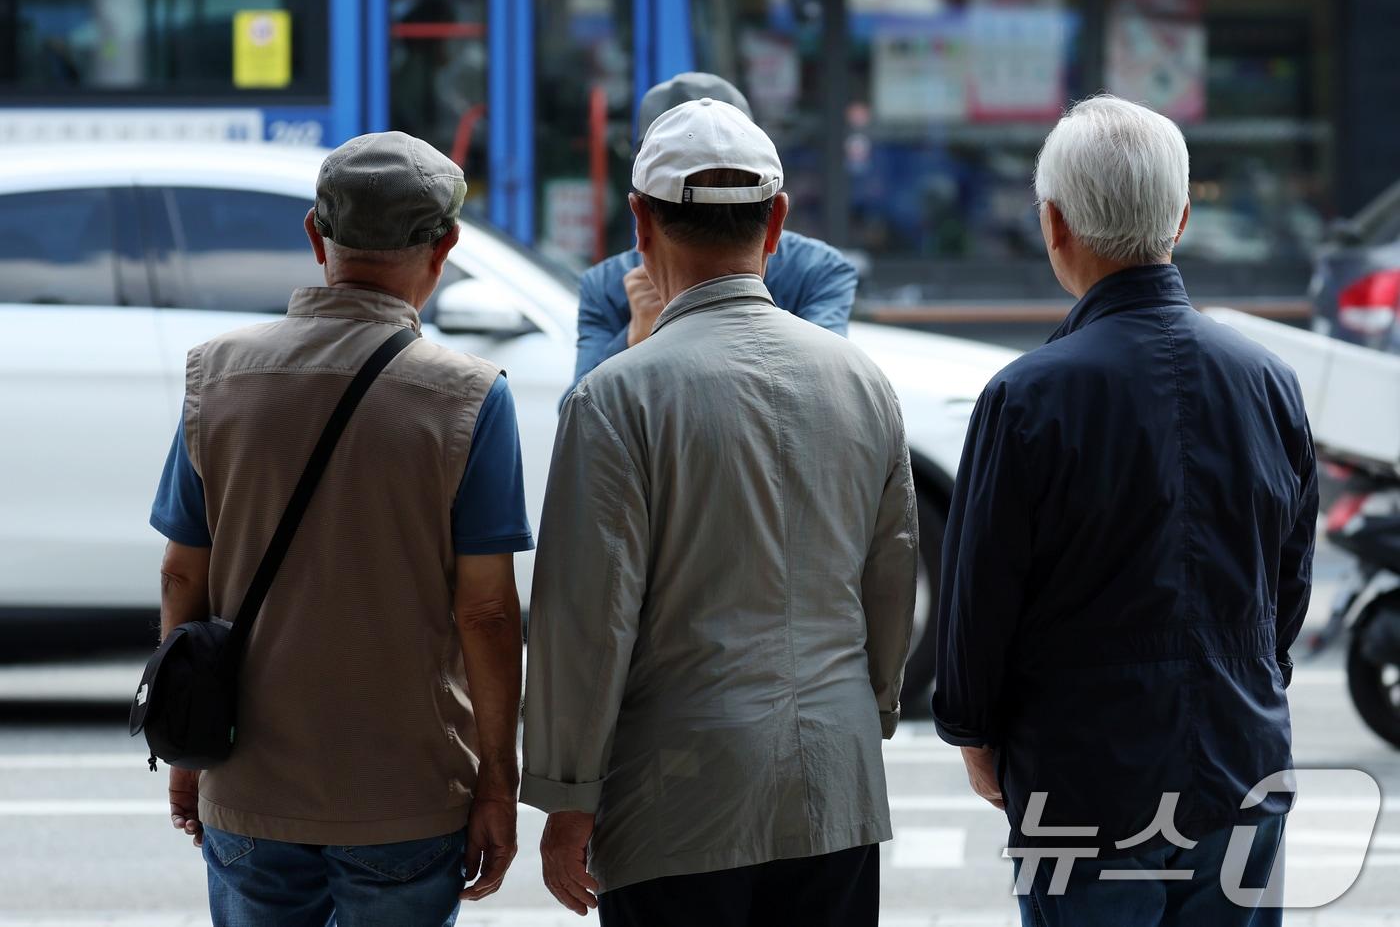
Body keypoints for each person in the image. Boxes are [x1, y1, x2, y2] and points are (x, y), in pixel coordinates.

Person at [520, 98, 918, 927]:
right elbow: (891, 577)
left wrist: (567, 794)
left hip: (675, 791)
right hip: (835, 782)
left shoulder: (615, 397)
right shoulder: (859, 381)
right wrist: (869, 709)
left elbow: (585, 620)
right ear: (776, 223)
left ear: (639, 222)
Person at [933, 96, 1317, 926]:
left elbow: (981, 592)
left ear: (1054, 225)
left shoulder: (1028, 396)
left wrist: (975, 731)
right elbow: (1287, 582)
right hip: (1241, 762)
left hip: (1082, 775)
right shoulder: (1268, 383)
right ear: (1179, 219)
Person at [149, 132, 530, 927]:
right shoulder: (468, 397)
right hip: (409, 797)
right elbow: (488, 613)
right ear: (447, 245)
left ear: (316, 234)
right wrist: (498, 781)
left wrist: (187, 750)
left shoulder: (216, 376)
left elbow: (184, 576)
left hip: (251, 787)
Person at [568, 71, 857, 396]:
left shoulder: (815, 272)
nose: (710, 183)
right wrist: (634, 338)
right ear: (777, 217)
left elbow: (824, 388)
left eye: (725, 172)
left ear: (641, 214)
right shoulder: (605, 288)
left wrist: (640, 351)